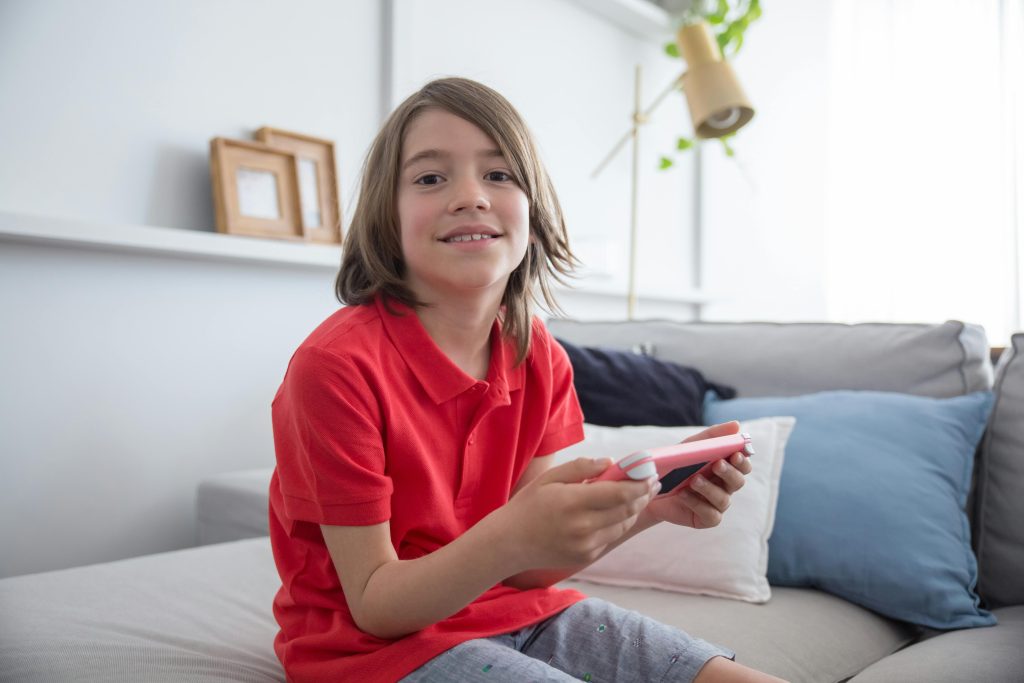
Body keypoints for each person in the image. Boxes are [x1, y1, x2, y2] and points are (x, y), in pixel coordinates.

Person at [268, 77, 785, 683]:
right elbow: (376, 605)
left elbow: (526, 572)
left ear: (533, 215)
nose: (470, 197)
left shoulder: (540, 355)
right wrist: (512, 535)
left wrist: (652, 507)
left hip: (519, 612)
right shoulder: (335, 368)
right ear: (387, 218)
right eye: (431, 178)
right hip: (372, 653)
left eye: (499, 175)